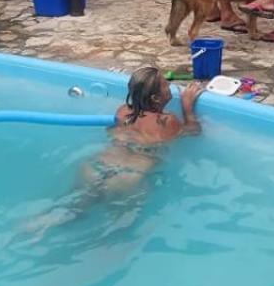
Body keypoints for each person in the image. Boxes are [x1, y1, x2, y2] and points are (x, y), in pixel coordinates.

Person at [24, 67, 201, 238]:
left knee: (74, 206)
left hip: (95, 167)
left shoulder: (123, 111)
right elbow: (193, 133)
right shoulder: (167, 121)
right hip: (129, 176)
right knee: (119, 230)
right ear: (156, 98)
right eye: (166, 85)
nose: (170, 86)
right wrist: (187, 108)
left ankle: (42, 223)